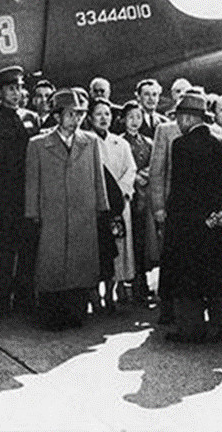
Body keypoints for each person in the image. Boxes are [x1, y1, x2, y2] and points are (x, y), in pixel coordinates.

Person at [162, 91, 222, 343]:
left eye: (178, 117)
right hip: (217, 223)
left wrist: (179, 221)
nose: (177, 123)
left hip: (189, 225)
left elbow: (183, 190)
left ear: (187, 119)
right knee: (218, 273)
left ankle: (191, 328)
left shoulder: (181, 145)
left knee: (188, 276)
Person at [25, 89, 109, 330]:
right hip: (52, 215)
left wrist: (102, 206)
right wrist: (33, 213)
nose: (77, 119)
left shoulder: (90, 141)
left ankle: (76, 313)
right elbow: (32, 183)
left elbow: (98, 176)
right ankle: (51, 315)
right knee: (51, 264)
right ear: (58, 116)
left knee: (80, 265)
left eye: (80, 114)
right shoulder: (38, 145)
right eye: (71, 114)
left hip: (84, 214)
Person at [0, 66, 34, 313]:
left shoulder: (31, 119)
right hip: (3, 198)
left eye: (19, 88)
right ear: (0, 93)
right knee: (2, 250)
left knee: (28, 248)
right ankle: (0, 300)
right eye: (11, 89)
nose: (17, 93)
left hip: (28, 196)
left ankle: (24, 299)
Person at [150, 87, 203, 323]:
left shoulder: (206, 134)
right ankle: (167, 308)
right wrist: (159, 207)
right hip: (172, 206)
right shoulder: (165, 131)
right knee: (169, 258)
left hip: (195, 209)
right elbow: (156, 172)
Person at [90, 99, 137, 308]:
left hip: (119, 203)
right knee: (99, 248)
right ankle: (95, 294)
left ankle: (113, 289)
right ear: (90, 117)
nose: (103, 118)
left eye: (107, 114)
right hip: (97, 204)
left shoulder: (121, 143)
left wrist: (122, 192)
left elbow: (131, 169)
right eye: (99, 114)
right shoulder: (87, 142)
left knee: (119, 246)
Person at [121, 100, 155, 303]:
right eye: (131, 117)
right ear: (123, 119)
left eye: (138, 117)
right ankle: (126, 285)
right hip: (127, 197)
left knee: (142, 242)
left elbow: (155, 164)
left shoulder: (148, 143)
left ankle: (142, 283)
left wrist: (145, 173)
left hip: (144, 198)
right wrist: (133, 176)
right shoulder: (119, 142)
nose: (135, 122)